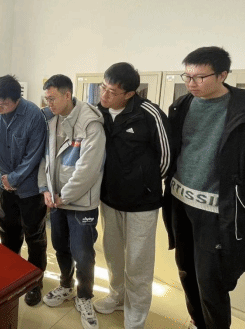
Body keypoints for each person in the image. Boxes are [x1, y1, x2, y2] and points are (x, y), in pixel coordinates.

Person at [163, 47, 245, 329]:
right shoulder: (182, 105)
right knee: (186, 271)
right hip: (180, 202)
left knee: (211, 282)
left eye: (200, 77)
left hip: (216, 210)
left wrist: (234, 186)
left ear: (223, 75)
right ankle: (197, 322)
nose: (191, 83)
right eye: (187, 76)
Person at [94, 63, 171, 329]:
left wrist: (145, 183)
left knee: (138, 261)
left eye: (112, 92)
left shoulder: (149, 113)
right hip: (110, 198)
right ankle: (117, 297)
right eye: (103, 87)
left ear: (129, 94)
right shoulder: (99, 111)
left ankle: (136, 315)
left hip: (142, 203)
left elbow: (166, 158)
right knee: (113, 255)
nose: (105, 95)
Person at [39, 75, 106, 330]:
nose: (49, 103)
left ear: (68, 95)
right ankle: (66, 286)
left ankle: (85, 296)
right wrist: (45, 189)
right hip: (56, 200)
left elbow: (88, 169)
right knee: (60, 247)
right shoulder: (51, 120)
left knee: (83, 253)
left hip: (80, 203)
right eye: (46, 99)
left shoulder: (90, 124)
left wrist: (63, 196)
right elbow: (44, 158)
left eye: (52, 98)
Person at [0, 75, 48, 307]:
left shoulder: (34, 115)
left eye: (4, 103)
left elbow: (34, 154)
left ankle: (34, 283)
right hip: (7, 185)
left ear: (17, 100)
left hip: (30, 188)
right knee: (8, 232)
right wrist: (6, 178)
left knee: (34, 235)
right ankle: (11, 276)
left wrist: (14, 178)